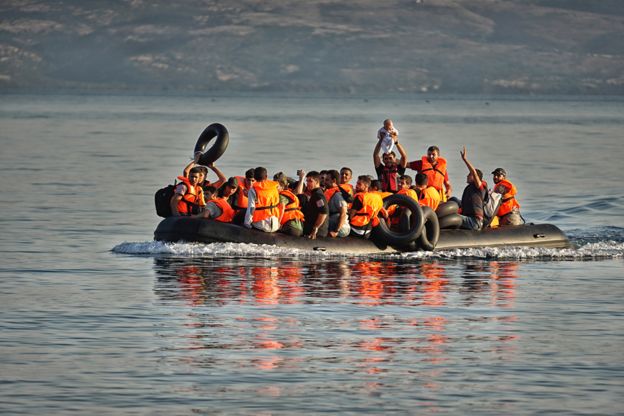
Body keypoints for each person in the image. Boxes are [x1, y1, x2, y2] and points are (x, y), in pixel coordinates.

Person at [457, 146, 486, 230]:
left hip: (474, 222)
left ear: (474, 177)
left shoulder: (479, 187)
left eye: (469, 175)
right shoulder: (469, 189)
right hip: (469, 220)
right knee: (454, 199)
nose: (467, 176)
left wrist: (464, 159)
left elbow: (474, 172)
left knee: (454, 217)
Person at [244, 167, 280, 232]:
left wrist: (247, 223)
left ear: (254, 177)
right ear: (266, 177)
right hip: (275, 224)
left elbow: (251, 208)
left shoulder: (253, 190)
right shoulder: (274, 188)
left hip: (262, 225)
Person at [274, 172, 305, 237]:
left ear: (282, 186)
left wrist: (278, 224)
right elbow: (297, 191)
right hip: (298, 228)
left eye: (276, 185)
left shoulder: (282, 196)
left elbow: (281, 208)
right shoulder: (289, 194)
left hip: (290, 227)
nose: (274, 187)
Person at [300, 170, 329, 239]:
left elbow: (324, 212)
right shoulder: (314, 194)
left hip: (318, 232)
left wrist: (315, 229)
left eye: (310, 181)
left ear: (317, 182)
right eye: (307, 181)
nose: (307, 183)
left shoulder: (318, 195)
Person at [323, 170, 351, 238]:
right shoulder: (329, 192)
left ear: (334, 180)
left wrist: (336, 231)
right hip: (332, 225)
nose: (324, 182)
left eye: (327, 180)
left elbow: (343, 213)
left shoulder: (337, 195)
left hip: (341, 228)